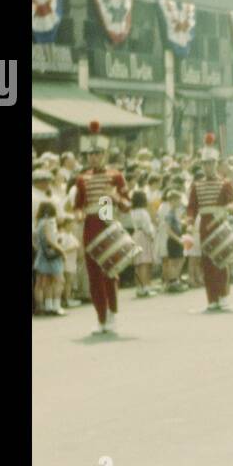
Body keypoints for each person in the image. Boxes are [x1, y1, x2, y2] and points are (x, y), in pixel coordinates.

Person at [73, 121, 131, 334]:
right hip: (90, 226)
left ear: (104, 155)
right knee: (93, 275)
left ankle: (112, 313)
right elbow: (78, 206)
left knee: (109, 273)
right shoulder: (82, 178)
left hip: (106, 224)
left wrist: (113, 196)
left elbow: (126, 204)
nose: (93, 157)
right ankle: (100, 317)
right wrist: (78, 215)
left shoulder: (115, 175)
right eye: (90, 154)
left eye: (97, 153)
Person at [187, 134, 233, 312]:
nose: (208, 167)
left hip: (219, 225)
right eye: (205, 164)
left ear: (216, 164)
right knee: (207, 262)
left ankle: (223, 295)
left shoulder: (225, 184)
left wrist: (228, 208)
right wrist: (189, 222)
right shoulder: (197, 185)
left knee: (221, 260)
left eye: (211, 163)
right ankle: (212, 298)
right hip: (204, 226)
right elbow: (191, 207)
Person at [33, 201, 67, 316]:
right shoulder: (48, 223)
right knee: (59, 280)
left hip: (42, 255)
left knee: (46, 282)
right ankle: (56, 306)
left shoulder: (39, 223)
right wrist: (61, 250)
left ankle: (48, 307)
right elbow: (49, 239)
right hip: (52, 256)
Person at [130, 190, 157, 298]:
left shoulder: (133, 211)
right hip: (144, 236)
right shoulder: (143, 212)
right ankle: (146, 286)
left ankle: (139, 288)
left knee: (138, 263)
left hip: (136, 235)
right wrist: (152, 235)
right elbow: (147, 226)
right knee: (145, 263)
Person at [161, 190, 186, 291]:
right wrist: (178, 239)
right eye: (178, 200)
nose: (180, 202)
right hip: (173, 240)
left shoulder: (175, 213)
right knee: (174, 261)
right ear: (172, 201)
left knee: (179, 259)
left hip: (177, 238)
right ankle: (173, 281)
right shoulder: (169, 214)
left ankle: (175, 280)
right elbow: (168, 230)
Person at [56, 216, 81, 308]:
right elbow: (61, 249)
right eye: (71, 224)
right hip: (66, 262)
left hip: (72, 261)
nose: (72, 226)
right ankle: (66, 300)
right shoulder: (62, 235)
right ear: (66, 225)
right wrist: (72, 248)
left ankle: (67, 298)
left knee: (69, 282)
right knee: (67, 282)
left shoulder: (71, 235)